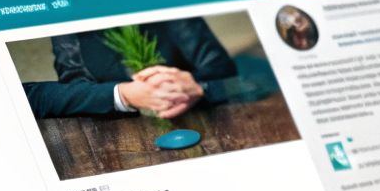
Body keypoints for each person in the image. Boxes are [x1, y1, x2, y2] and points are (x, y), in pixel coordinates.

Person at [22, 17, 237, 119]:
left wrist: (197, 87)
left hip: (203, 119)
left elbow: (225, 73)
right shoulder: (68, 21)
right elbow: (71, 89)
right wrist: (123, 95)